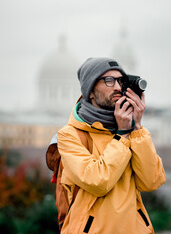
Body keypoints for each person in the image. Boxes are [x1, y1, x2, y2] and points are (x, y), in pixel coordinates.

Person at [57, 57, 166, 234]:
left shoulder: (132, 130)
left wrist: (136, 127)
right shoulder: (70, 135)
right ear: (90, 91)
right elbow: (98, 182)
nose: (117, 87)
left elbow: (151, 182)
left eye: (120, 80)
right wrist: (122, 135)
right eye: (108, 80)